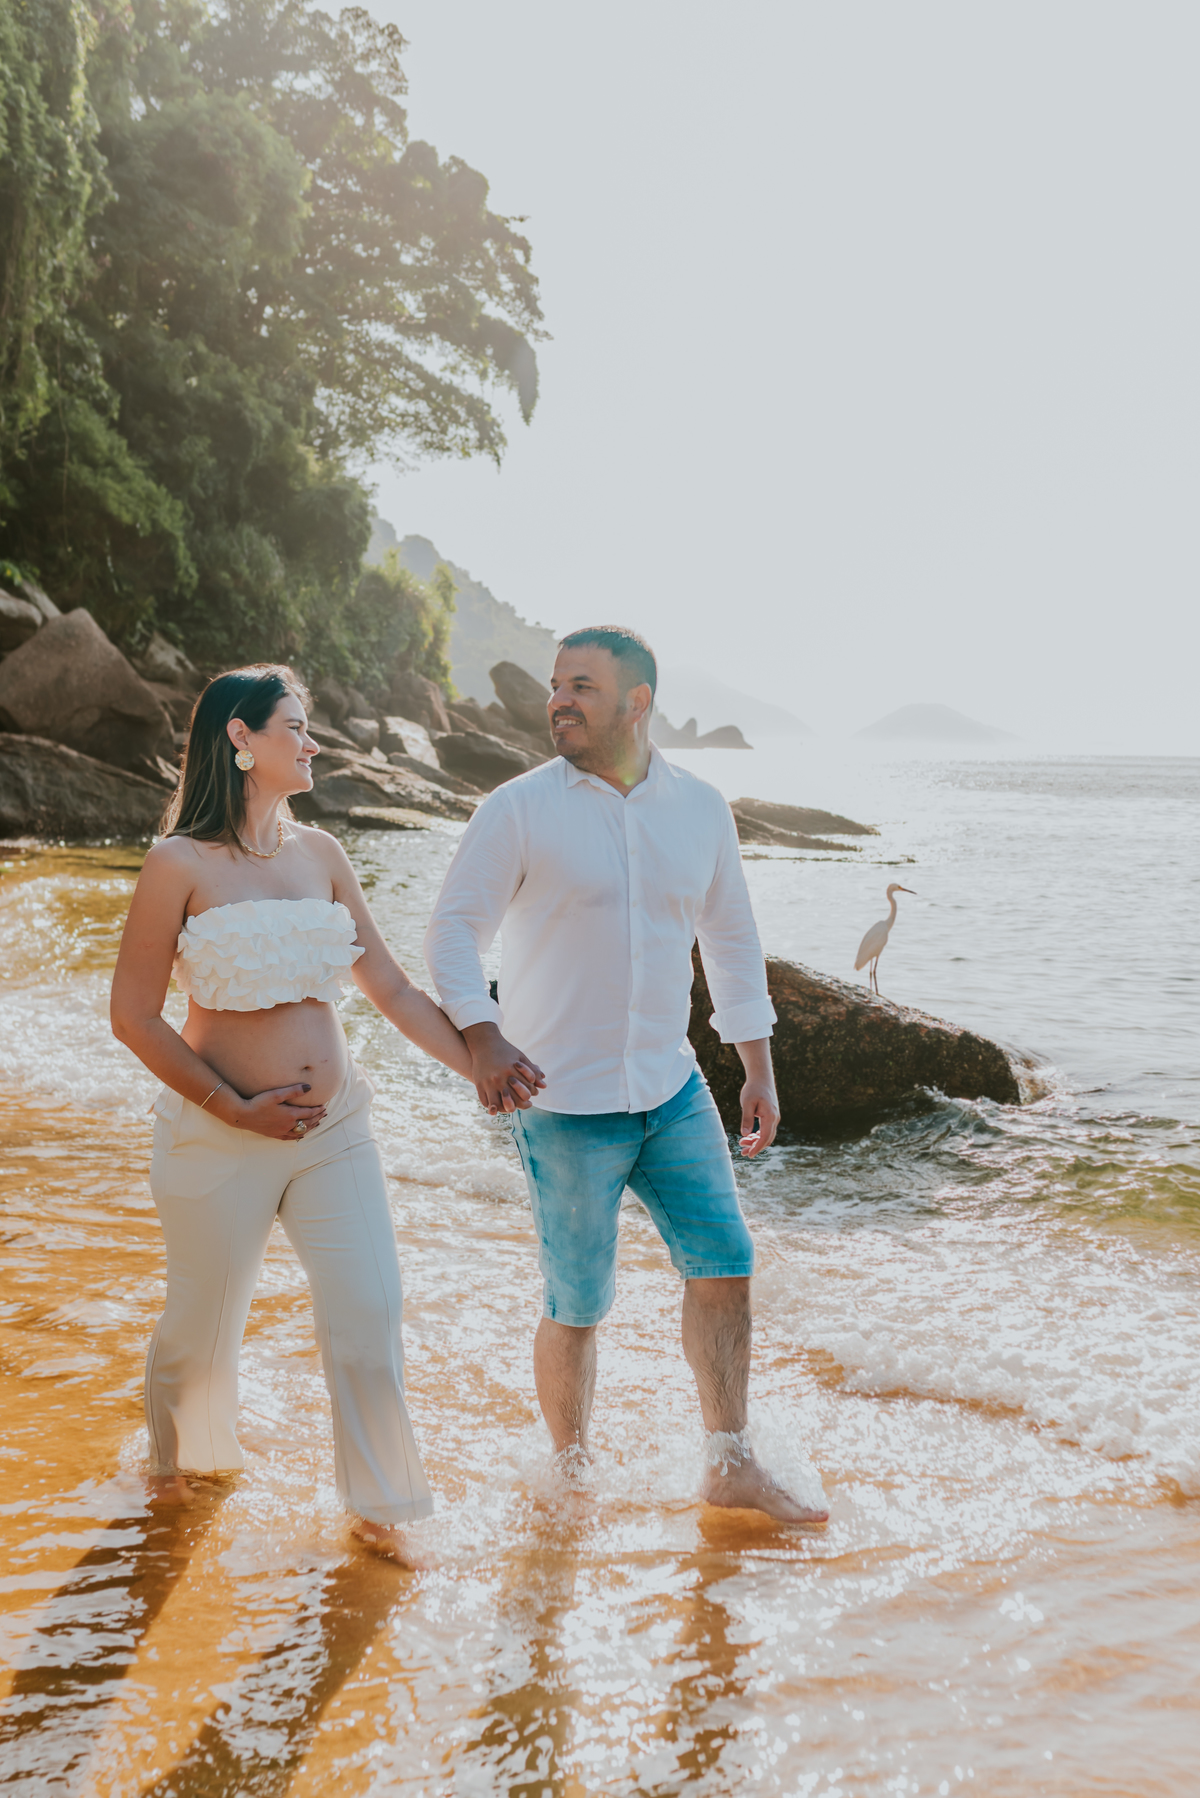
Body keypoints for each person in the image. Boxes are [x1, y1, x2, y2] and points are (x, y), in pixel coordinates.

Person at [110, 665, 540, 1558]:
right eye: (297, 728)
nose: (313, 744)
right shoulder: (176, 864)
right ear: (240, 738)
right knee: (200, 1323)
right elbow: (134, 1014)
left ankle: (381, 1509)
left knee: (369, 1308)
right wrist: (231, 1106)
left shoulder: (323, 857)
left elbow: (387, 985)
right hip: (215, 1135)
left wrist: (480, 1061)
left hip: (333, 1130)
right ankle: (177, 1467)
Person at [424, 626, 828, 1523]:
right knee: (578, 1302)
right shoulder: (519, 808)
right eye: (556, 684)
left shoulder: (700, 808)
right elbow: (452, 930)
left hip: (673, 1087)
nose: (558, 700)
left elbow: (729, 940)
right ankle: (569, 1476)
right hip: (560, 1101)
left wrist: (754, 1065)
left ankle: (729, 1461)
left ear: (638, 702)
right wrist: (482, 1036)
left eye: (582, 685)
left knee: (726, 1264)